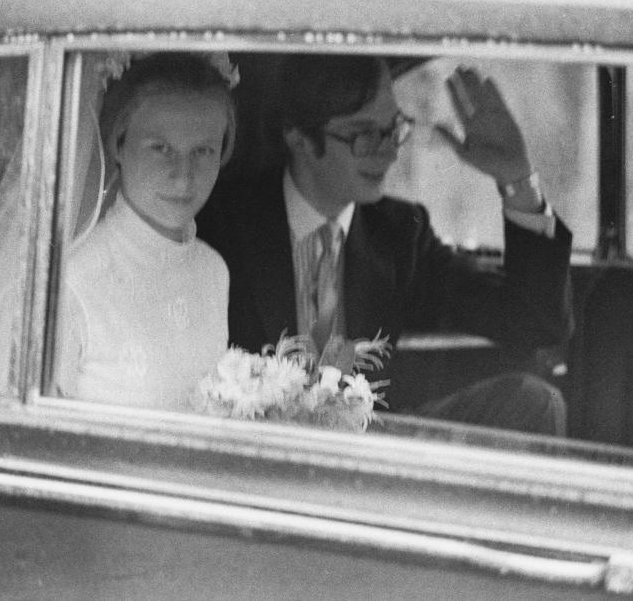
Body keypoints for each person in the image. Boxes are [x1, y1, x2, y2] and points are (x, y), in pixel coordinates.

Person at [197, 54, 572, 435]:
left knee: (532, 400)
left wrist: (517, 180)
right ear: (299, 138)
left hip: (372, 453)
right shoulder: (225, 222)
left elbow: (536, 322)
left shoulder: (398, 235)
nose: (389, 151)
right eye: (363, 134)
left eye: (393, 128)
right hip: (254, 453)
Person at [53, 52, 237, 411]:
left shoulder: (214, 270)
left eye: (203, 151)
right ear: (119, 145)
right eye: (161, 149)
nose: (183, 175)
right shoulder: (73, 281)